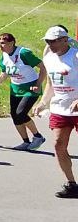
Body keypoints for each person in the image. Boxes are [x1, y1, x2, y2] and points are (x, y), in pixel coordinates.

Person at [0, 32, 46, 150]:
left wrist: (38, 84)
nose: (0, 46)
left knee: (21, 113)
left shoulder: (24, 53)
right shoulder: (4, 56)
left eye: (3, 43)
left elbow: (42, 67)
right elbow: (4, 74)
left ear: (12, 43)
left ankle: (38, 137)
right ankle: (26, 142)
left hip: (30, 88)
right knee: (15, 115)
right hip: (15, 89)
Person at [38, 25, 78, 198]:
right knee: (58, 145)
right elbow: (50, 83)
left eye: (53, 41)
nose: (50, 44)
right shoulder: (48, 58)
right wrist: (43, 102)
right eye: (48, 41)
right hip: (60, 108)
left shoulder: (75, 56)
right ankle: (72, 185)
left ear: (64, 40)